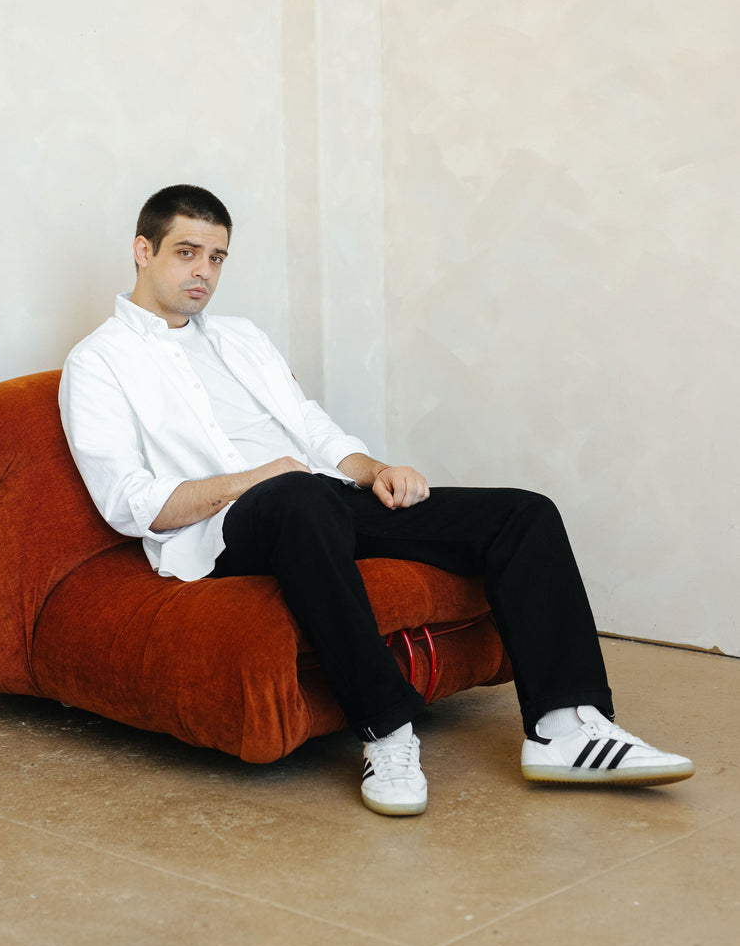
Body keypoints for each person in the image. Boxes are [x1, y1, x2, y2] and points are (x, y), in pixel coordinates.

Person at [59, 184, 694, 815]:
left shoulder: (240, 337)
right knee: (297, 496)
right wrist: (255, 480)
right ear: (143, 250)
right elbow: (128, 503)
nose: (204, 271)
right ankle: (386, 729)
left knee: (523, 514)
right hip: (226, 529)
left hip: (320, 501)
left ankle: (564, 729)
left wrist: (374, 470)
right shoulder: (98, 363)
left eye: (217, 257)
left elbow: (309, 425)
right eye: (187, 252)